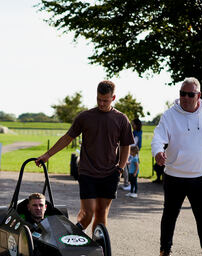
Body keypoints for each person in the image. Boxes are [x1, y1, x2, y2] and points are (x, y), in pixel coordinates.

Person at [151, 77, 202, 256]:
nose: (185, 97)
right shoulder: (169, 115)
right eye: (182, 94)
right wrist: (158, 152)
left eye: (190, 94)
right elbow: (157, 138)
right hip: (175, 175)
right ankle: (165, 252)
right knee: (170, 214)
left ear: (198, 95)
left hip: (201, 175)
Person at [36, 80, 134, 234]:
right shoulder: (85, 117)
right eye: (99, 99)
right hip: (88, 172)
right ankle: (73, 235)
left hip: (110, 173)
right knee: (88, 213)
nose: (101, 103)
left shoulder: (121, 119)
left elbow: (126, 145)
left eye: (105, 100)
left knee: (101, 213)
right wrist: (47, 154)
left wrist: (120, 169)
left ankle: (98, 248)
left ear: (113, 98)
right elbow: (67, 137)